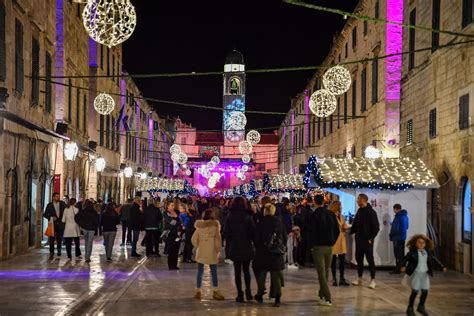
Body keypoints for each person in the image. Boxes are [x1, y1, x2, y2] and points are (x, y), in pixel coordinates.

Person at [401, 234, 446, 316]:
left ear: (426, 244)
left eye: (423, 243)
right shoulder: (412, 253)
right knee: (414, 291)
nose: (421, 244)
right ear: (415, 243)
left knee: (425, 291)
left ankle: (421, 306)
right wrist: (403, 266)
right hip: (416, 274)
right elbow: (404, 259)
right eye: (419, 242)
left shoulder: (427, 252)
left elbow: (434, 259)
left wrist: (441, 266)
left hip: (424, 274)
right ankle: (410, 308)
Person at [308, 195, 340, 307]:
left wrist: (311, 245)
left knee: (321, 273)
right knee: (326, 270)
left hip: (318, 247)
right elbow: (337, 229)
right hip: (329, 246)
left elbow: (310, 232)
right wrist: (332, 242)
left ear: (315, 202)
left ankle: (328, 297)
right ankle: (322, 294)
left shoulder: (314, 215)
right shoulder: (331, 214)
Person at [254, 203, 287, 307]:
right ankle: (277, 297)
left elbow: (256, 238)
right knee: (276, 275)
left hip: (263, 252)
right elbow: (284, 237)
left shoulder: (260, 223)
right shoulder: (279, 222)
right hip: (276, 252)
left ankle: (260, 294)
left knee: (262, 274)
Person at [224, 196, 256, 303]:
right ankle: (248, 292)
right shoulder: (248, 216)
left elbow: (227, 233)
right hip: (246, 246)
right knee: (246, 271)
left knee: (237, 271)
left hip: (235, 246)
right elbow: (252, 232)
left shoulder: (230, 216)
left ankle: (240, 294)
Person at [192, 209, 225, 301]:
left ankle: (198, 291)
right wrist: (217, 250)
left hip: (201, 251)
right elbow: (218, 241)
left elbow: (193, 239)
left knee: (200, 271)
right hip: (212, 251)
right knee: (214, 272)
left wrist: (198, 246)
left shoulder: (199, 227)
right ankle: (215, 291)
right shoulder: (215, 227)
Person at [350, 194, 380, 289]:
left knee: (370, 260)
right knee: (359, 259)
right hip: (359, 240)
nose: (357, 201)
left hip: (367, 241)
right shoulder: (359, 211)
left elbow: (376, 227)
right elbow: (355, 224)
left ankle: (373, 280)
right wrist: (351, 231)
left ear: (363, 200)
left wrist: (371, 238)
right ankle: (359, 278)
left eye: (358, 199)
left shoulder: (371, 212)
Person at [329, 201, 350, 286]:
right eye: (340, 206)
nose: (341, 207)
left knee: (342, 260)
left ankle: (342, 278)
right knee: (333, 260)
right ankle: (334, 278)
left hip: (341, 239)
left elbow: (344, 225)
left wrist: (345, 228)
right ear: (336, 206)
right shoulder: (330, 216)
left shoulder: (341, 216)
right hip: (334, 239)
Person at [43, 192, 67, 259]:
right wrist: (51, 217)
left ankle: (59, 250)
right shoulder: (49, 205)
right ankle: (51, 252)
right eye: (56, 196)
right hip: (52, 224)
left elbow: (66, 211)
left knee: (59, 238)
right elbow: (45, 214)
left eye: (58, 196)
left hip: (60, 224)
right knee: (51, 239)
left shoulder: (62, 204)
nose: (58, 198)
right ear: (53, 197)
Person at [390, 203, 409, 274]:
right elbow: (407, 226)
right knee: (401, 254)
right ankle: (402, 267)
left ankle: (397, 269)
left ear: (396, 209)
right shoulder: (405, 216)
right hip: (403, 237)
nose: (394, 211)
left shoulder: (398, 216)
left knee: (397, 254)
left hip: (396, 238)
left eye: (394, 210)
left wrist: (391, 235)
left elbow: (395, 228)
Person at [165, 202, 182, 270]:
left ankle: (175, 265)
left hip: (176, 233)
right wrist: (176, 218)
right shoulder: (166, 213)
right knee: (171, 250)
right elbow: (172, 223)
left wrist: (176, 218)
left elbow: (180, 222)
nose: (173, 207)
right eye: (171, 205)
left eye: (173, 205)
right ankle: (171, 265)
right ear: (168, 206)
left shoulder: (176, 213)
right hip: (169, 234)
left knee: (176, 249)